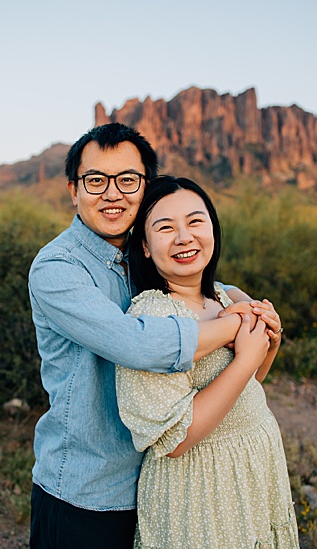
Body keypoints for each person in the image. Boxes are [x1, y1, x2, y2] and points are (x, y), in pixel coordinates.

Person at [26, 123, 281, 548]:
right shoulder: (58, 268)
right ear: (74, 190)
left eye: (128, 180)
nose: (113, 193)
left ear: (144, 188)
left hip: (163, 486)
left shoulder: (145, 260)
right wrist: (237, 326)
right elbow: (137, 344)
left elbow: (195, 295)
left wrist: (250, 317)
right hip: (89, 490)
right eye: (96, 181)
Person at [116, 176, 297, 548]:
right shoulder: (153, 315)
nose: (184, 237)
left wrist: (270, 345)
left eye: (196, 221)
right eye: (165, 227)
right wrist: (246, 358)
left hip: (252, 463)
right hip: (200, 484)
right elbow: (173, 439)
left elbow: (248, 384)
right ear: (146, 247)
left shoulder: (223, 297)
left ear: (213, 228)